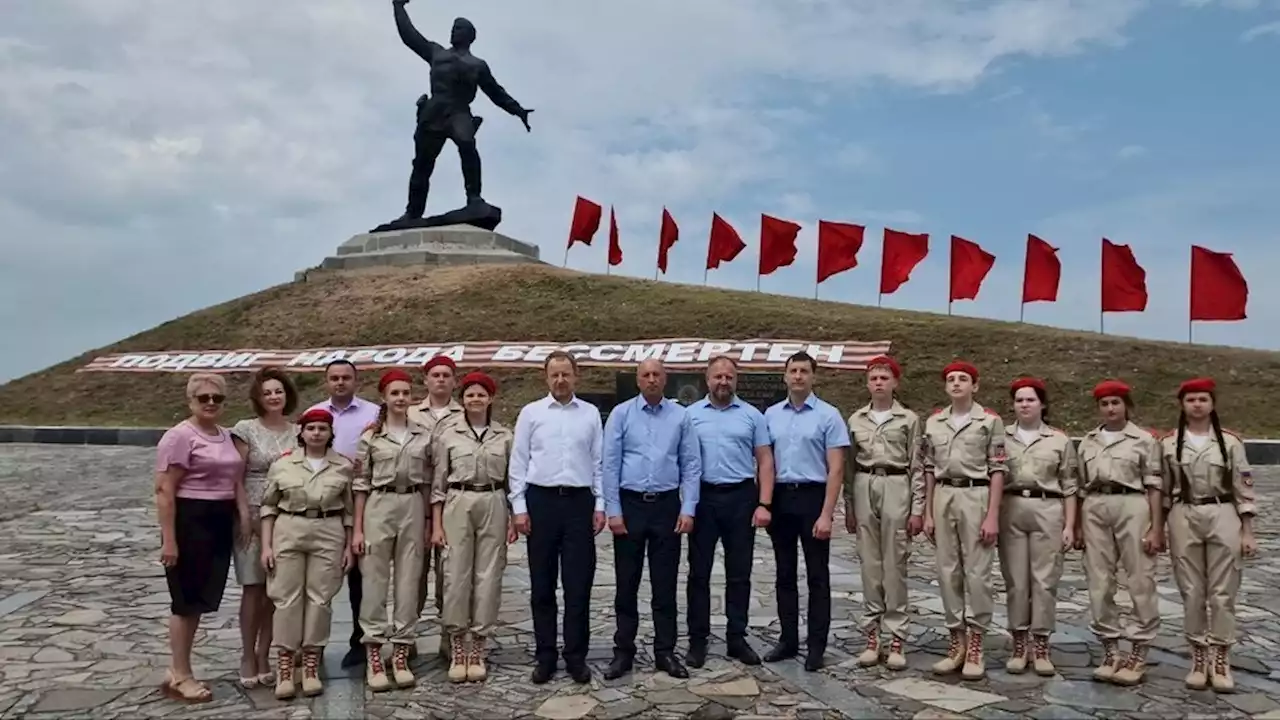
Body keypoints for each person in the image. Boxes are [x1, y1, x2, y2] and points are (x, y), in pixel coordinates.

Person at [508, 351, 606, 685]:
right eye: (554, 375)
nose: (560, 380)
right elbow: (518, 462)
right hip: (542, 502)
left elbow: (598, 463)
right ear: (546, 377)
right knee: (542, 586)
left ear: (576, 375)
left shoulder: (590, 414)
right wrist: (519, 508)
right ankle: (545, 655)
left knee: (578, 586)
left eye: (566, 374)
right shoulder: (531, 413)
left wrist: (600, 504)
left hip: (579, 504)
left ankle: (576, 656)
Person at [601, 359, 701, 680]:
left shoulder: (680, 416)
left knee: (665, 583)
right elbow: (609, 465)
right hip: (630, 506)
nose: (652, 379)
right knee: (626, 584)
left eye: (657, 374)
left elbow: (691, 464)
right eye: (646, 375)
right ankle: (623, 651)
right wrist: (613, 510)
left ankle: (665, 651)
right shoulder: (621, 415)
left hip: (666, 506)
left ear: (665, 379)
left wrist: (689, 509)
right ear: (638, 380)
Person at [154, 374, 250, 704]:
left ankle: (176, 669)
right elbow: (165, 490)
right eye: (203, 397)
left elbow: (236, 480)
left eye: (217, 398)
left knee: (199, 600)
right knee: (186, 601)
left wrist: (243, 516)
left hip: (218, 520)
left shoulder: (224, 436)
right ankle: (181, 674)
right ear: (190, 400)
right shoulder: (179, 437)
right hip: (190, 521)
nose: (210, 403)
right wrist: (170, 540)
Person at [1160, 377, 1258, 692]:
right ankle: (1198, 657)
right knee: (1191, 591)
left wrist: (1248, 532)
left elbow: (1243, 489)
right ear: (1182, 405)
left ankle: (1220, 658)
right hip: (1183, 514)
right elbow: (1162, 490)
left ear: (1212, 403)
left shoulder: (1230, 442)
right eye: (1191, 400)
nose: (1197, 404)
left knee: (1223, 591)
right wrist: (1157, 528)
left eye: (1203, 399)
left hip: (1222, 512)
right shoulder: (1168, 443)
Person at [685, 355, 775, 669]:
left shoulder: (752, 416)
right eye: (717, 377)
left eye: (729, 377)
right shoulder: (691, 415)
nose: (723, 382)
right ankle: (698, 640)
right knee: (698, 573)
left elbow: (764, 460)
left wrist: (764, 503)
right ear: (706, 380)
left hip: (741, 498)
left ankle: (736, 638)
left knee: (739, 574)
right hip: (703, 499)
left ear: (736, 380)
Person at [259, 408, 356, 700]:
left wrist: (349, 545)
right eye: (311, 428)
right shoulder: (283, 465)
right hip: (289, 528)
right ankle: (287, 664)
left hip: (328, 529)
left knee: (320, 597)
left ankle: (311, 662)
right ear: (301, 432)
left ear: (330, 434)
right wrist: (266, 545)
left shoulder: (342, 466)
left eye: (322, 429)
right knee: (286, 597)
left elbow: (350, 511)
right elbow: (268, 506)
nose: (316, 433)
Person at [762, 351, 850, 672]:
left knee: (817, 576)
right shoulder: (770, 415)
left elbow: (836, 468)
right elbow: (764, 462)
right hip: (781, 498)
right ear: (784, 376)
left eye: (804, 371)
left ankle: (816, 645)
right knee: (784, 574)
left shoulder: (829, 415)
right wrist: (764, 502)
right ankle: (787, 640)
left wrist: (827, 513)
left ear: (813, 377)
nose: (798, 376)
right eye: (793, 371)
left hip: (814, 498)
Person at [921, 361, 1006, 681]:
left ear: (975, 386)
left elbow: (998, 469)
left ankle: (977, 644)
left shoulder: (989, 422)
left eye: (963, 379)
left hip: (976, 495)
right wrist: (928, 511)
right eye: (951, 379)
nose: (956, 383)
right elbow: (929, 468)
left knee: (978, 573)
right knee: (947, 572)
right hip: (944, 494)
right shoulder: (934, 423)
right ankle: (956, 640)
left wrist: (993, 515)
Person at [430, 370, 517, 683]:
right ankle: (457, 644)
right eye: (469, 395)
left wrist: (511, 517)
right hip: (458, 500)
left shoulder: (504, 436)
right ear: (462, 400)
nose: (475, 399)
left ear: (490, 398)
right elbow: (438, 483)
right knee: (455, 574)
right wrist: (437, 524)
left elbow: (511, 481)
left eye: (481, 394)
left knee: (488, 575)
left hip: (492, 500)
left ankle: (478, 645)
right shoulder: (448, 434)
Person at [1076, 379, 1163, 686]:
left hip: (1132, 503)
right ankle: (1110, 648)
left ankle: (1138, 650)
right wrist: (1076, 525)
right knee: (1099, 580)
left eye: (1116, 402)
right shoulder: (1088, 441)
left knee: (1140, 577)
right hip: (1096, 505)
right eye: (1104, 403)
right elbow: (1079, 485)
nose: (1110, 408)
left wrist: (1156, 526)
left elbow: (1154, 485)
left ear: (1127, 405)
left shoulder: (1144, 440)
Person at [353, 369, 432, 691]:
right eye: (394, 393)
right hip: (378, 506)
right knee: (373, 581)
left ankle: (401, 652)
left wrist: (428, 520)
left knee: (408, 581)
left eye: (405, 393)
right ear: (383, 398)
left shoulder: (424, 434)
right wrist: (357, 528)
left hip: (412, 504)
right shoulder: (370, 436)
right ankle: (374, 654)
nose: (401, 398)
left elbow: (428, 481)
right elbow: (360, 484)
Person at [844, 355, 923, 671]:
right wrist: (849, 505)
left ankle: (897, 637)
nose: (879, 383)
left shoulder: (909, 419)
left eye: (884, 378)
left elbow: (917, 465)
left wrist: (917, 508)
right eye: (874, 378)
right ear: (867, 383)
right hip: (865, 483)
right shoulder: (855, 420)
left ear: (895, 383)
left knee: (895, 563)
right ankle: (872, 635)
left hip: (896, 483)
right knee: (870, 564)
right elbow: (849, 467)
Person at [997, 377, 1078, 676]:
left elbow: (1070, 485)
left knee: (1044, 580)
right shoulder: (1001, 437)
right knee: (1016, 580)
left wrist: (1070, 525)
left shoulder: (1059, 440)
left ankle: (1041, 644)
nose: (1024, 405)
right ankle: (1019, 643)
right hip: (1012, 507)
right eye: (1019, 400)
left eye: (1030, 399)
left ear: (1042, 404)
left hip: (1048, 507)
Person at [305, 360, 381, 669]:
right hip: (325, 502)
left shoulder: (374, 413)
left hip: (363, 499)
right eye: (334, 378)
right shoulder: (314, 414)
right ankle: (312, 645)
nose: (340, 383)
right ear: (326, 382)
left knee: (361, 577)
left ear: (356, 381)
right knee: (318, 578)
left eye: (345, 378)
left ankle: (359, 641)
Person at [230, 367, 300, 689]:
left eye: (279, 391)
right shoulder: (245, 429)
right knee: (252, 587)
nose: (274, 397)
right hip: (252, 516)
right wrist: (245, 515)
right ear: (258, 397)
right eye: (268, 392)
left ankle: (263, 653)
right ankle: (246, 653)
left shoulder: (297, 432)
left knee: (275, 590)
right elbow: (236, 477)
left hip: (285, 516)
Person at [408, 355, 464, 654]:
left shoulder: (465, 412)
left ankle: (449, 631)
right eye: (435, 375)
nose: (440, 380)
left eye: (446, 375)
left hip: (451, 498)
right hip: (416, 496)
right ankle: (409, 631)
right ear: (426, 380)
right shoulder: (411, 413)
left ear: (454, 381)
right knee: (413, 569)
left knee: (449, 569)